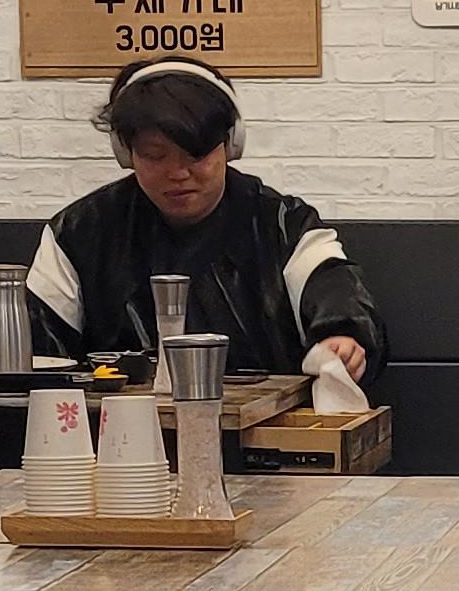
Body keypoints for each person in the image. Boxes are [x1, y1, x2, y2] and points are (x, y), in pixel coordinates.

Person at [26, 60, 385, 379]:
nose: (178, 173)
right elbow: (40, 356)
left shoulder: (283, 224)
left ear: (229, 145)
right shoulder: (78, 233)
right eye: (155, 156)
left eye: (195, 155)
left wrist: (343, 337)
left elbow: (334, 287)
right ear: (126, 152)